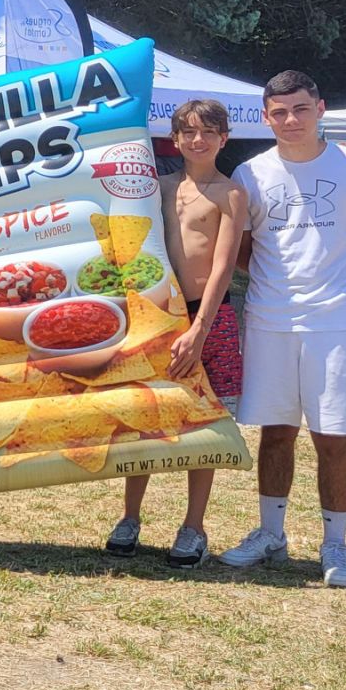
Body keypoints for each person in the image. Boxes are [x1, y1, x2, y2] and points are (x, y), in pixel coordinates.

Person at [217, 71, 346, 588]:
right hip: (269, 320)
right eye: (279, 112)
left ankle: (335, 544)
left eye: (300, 109)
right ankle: (272, 534)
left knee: (333, 436)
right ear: (265, 117)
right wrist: (276, 285)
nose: (291, 120)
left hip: (334, 324)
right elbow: (244, 249)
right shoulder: (250, 172)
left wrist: (340, 292)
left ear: (321, 109)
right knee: (275, 432)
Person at [107, 100, 248, 567]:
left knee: (204, 422)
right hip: (157, 316)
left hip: (208, 317)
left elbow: (224, 265)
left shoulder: (230, 193)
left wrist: (201, 329)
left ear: (224, 138)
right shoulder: (158, 188)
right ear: (175, 138)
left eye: (208, 132)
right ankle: (130, 517)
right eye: (188, 132)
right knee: (145, 415)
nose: (197, 140)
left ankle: (194, 526)